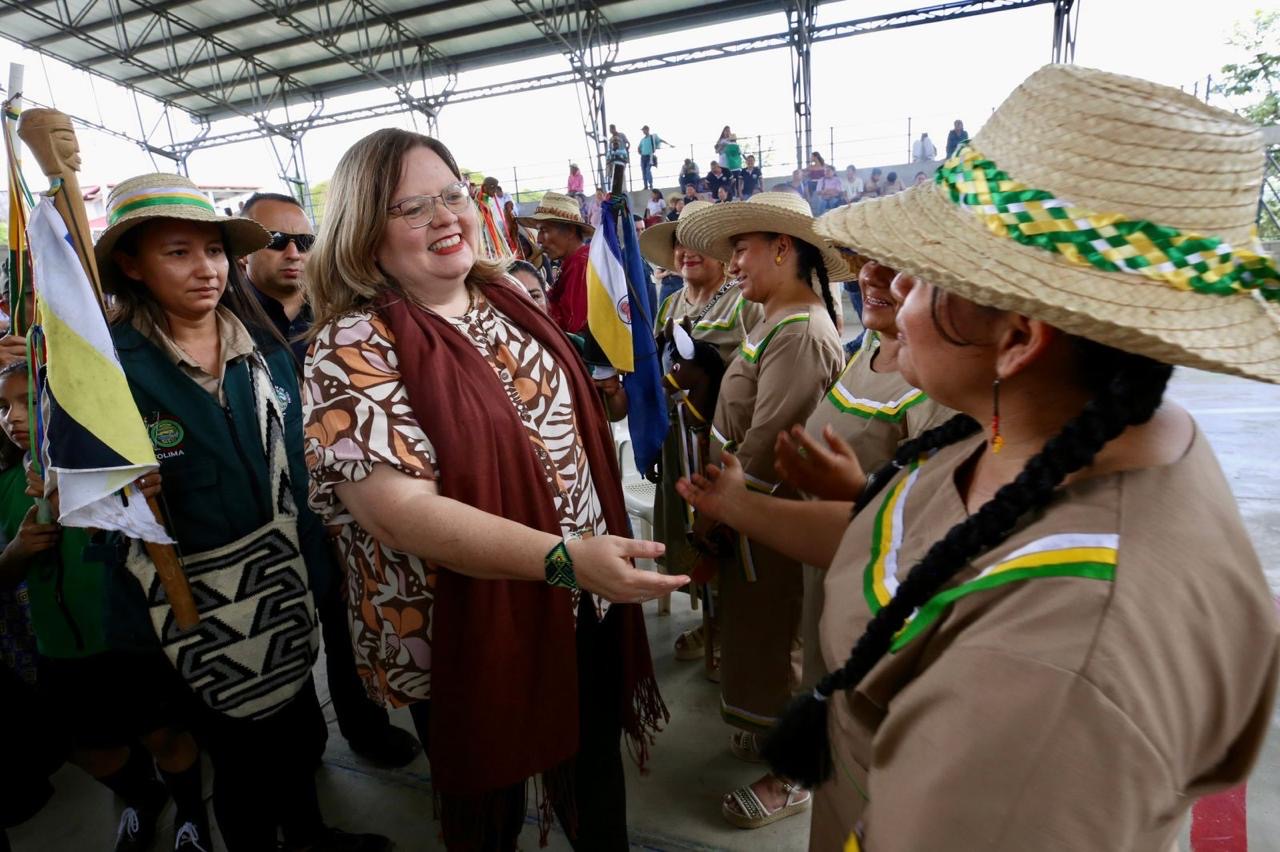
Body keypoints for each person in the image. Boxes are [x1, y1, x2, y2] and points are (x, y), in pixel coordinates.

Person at [680, 64, 1280, 851]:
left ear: (1020, 340)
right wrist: (748, 505)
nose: (889, 293)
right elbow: (917, 553)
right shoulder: (1060, 430)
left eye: (924, 275)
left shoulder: (1044, 682)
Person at [302, 127, 685, 851]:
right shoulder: (350, 345)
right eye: (411, 208)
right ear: (364, 234)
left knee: (594, 774)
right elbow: (398, 512)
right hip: (461, 628)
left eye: (452, 195)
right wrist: (564, 556)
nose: (445, 216)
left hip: (579, 597)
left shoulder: (505, 295)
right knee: (491, 808)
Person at [96, 173, 387, 852]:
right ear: (131, 265)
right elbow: (83, 499)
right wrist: (118, 495)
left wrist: (323, 564)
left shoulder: (262, 351)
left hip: (287, 585)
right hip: (197, 608)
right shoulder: (108, 375)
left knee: (299, 736)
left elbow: (300, 463)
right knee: (240, 759)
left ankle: (311, 836)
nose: (206, 270)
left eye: (215, 251)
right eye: (178, 252)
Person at [676, 192, 849, 830]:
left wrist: (716, 513)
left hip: (764, 516)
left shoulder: (800, 331)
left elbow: (768, 446)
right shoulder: (774, 320)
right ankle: (769, 732)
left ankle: (795, 771)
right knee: (760, 631)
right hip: (747, 512)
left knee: (783, 639)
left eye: (742, 249)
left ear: (783, 248)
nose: (734, 263)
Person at [239, 191, 421, 768]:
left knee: (350, 625)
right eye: (276, 241)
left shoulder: (339, 315)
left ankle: (364, 728)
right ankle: (301, 753)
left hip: (342, 503)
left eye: (305, 241)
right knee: (287, 639)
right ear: (245, 249)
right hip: (264, 511)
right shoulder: (221, 321)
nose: (294, 253)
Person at [0, 358, 210, 852]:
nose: (12, 417)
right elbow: (4, 574)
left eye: (27, 401)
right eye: (1, 406)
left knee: (163, 735)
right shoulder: (8, 485)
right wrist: (19, 548)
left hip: (123, 639)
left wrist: (94, 502)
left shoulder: (111, 472)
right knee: (89, 746)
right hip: (58, 649)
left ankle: (193, 811)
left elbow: (149, 541)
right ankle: (142, 797)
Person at [640, 200, 764, 681]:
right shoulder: (669, 305)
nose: (685, 253)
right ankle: (706, 622)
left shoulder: (744, 300)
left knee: (725, 540)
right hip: (677, 445)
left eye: (697, 243)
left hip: (721, 446)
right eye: (678, 244)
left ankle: (732, 630)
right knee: (686, 535)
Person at [518, 191, 594, 334]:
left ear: (570, 231)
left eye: (544, 230)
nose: (539, 239)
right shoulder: (571, 262)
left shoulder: (581, 263)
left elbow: (571, 324)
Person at [637, 125, 670, 190]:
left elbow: (661, 140)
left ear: (647, 130)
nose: (643, 131)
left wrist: (669, 144)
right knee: (643, 171)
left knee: (647, 170)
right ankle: (645, 186)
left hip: (650, 156)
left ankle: (651, 184)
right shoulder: (642, 139)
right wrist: (639, 151)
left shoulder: (652, 137)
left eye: (644, 130)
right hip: (643, 157)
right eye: (643, 130)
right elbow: (639, 147)